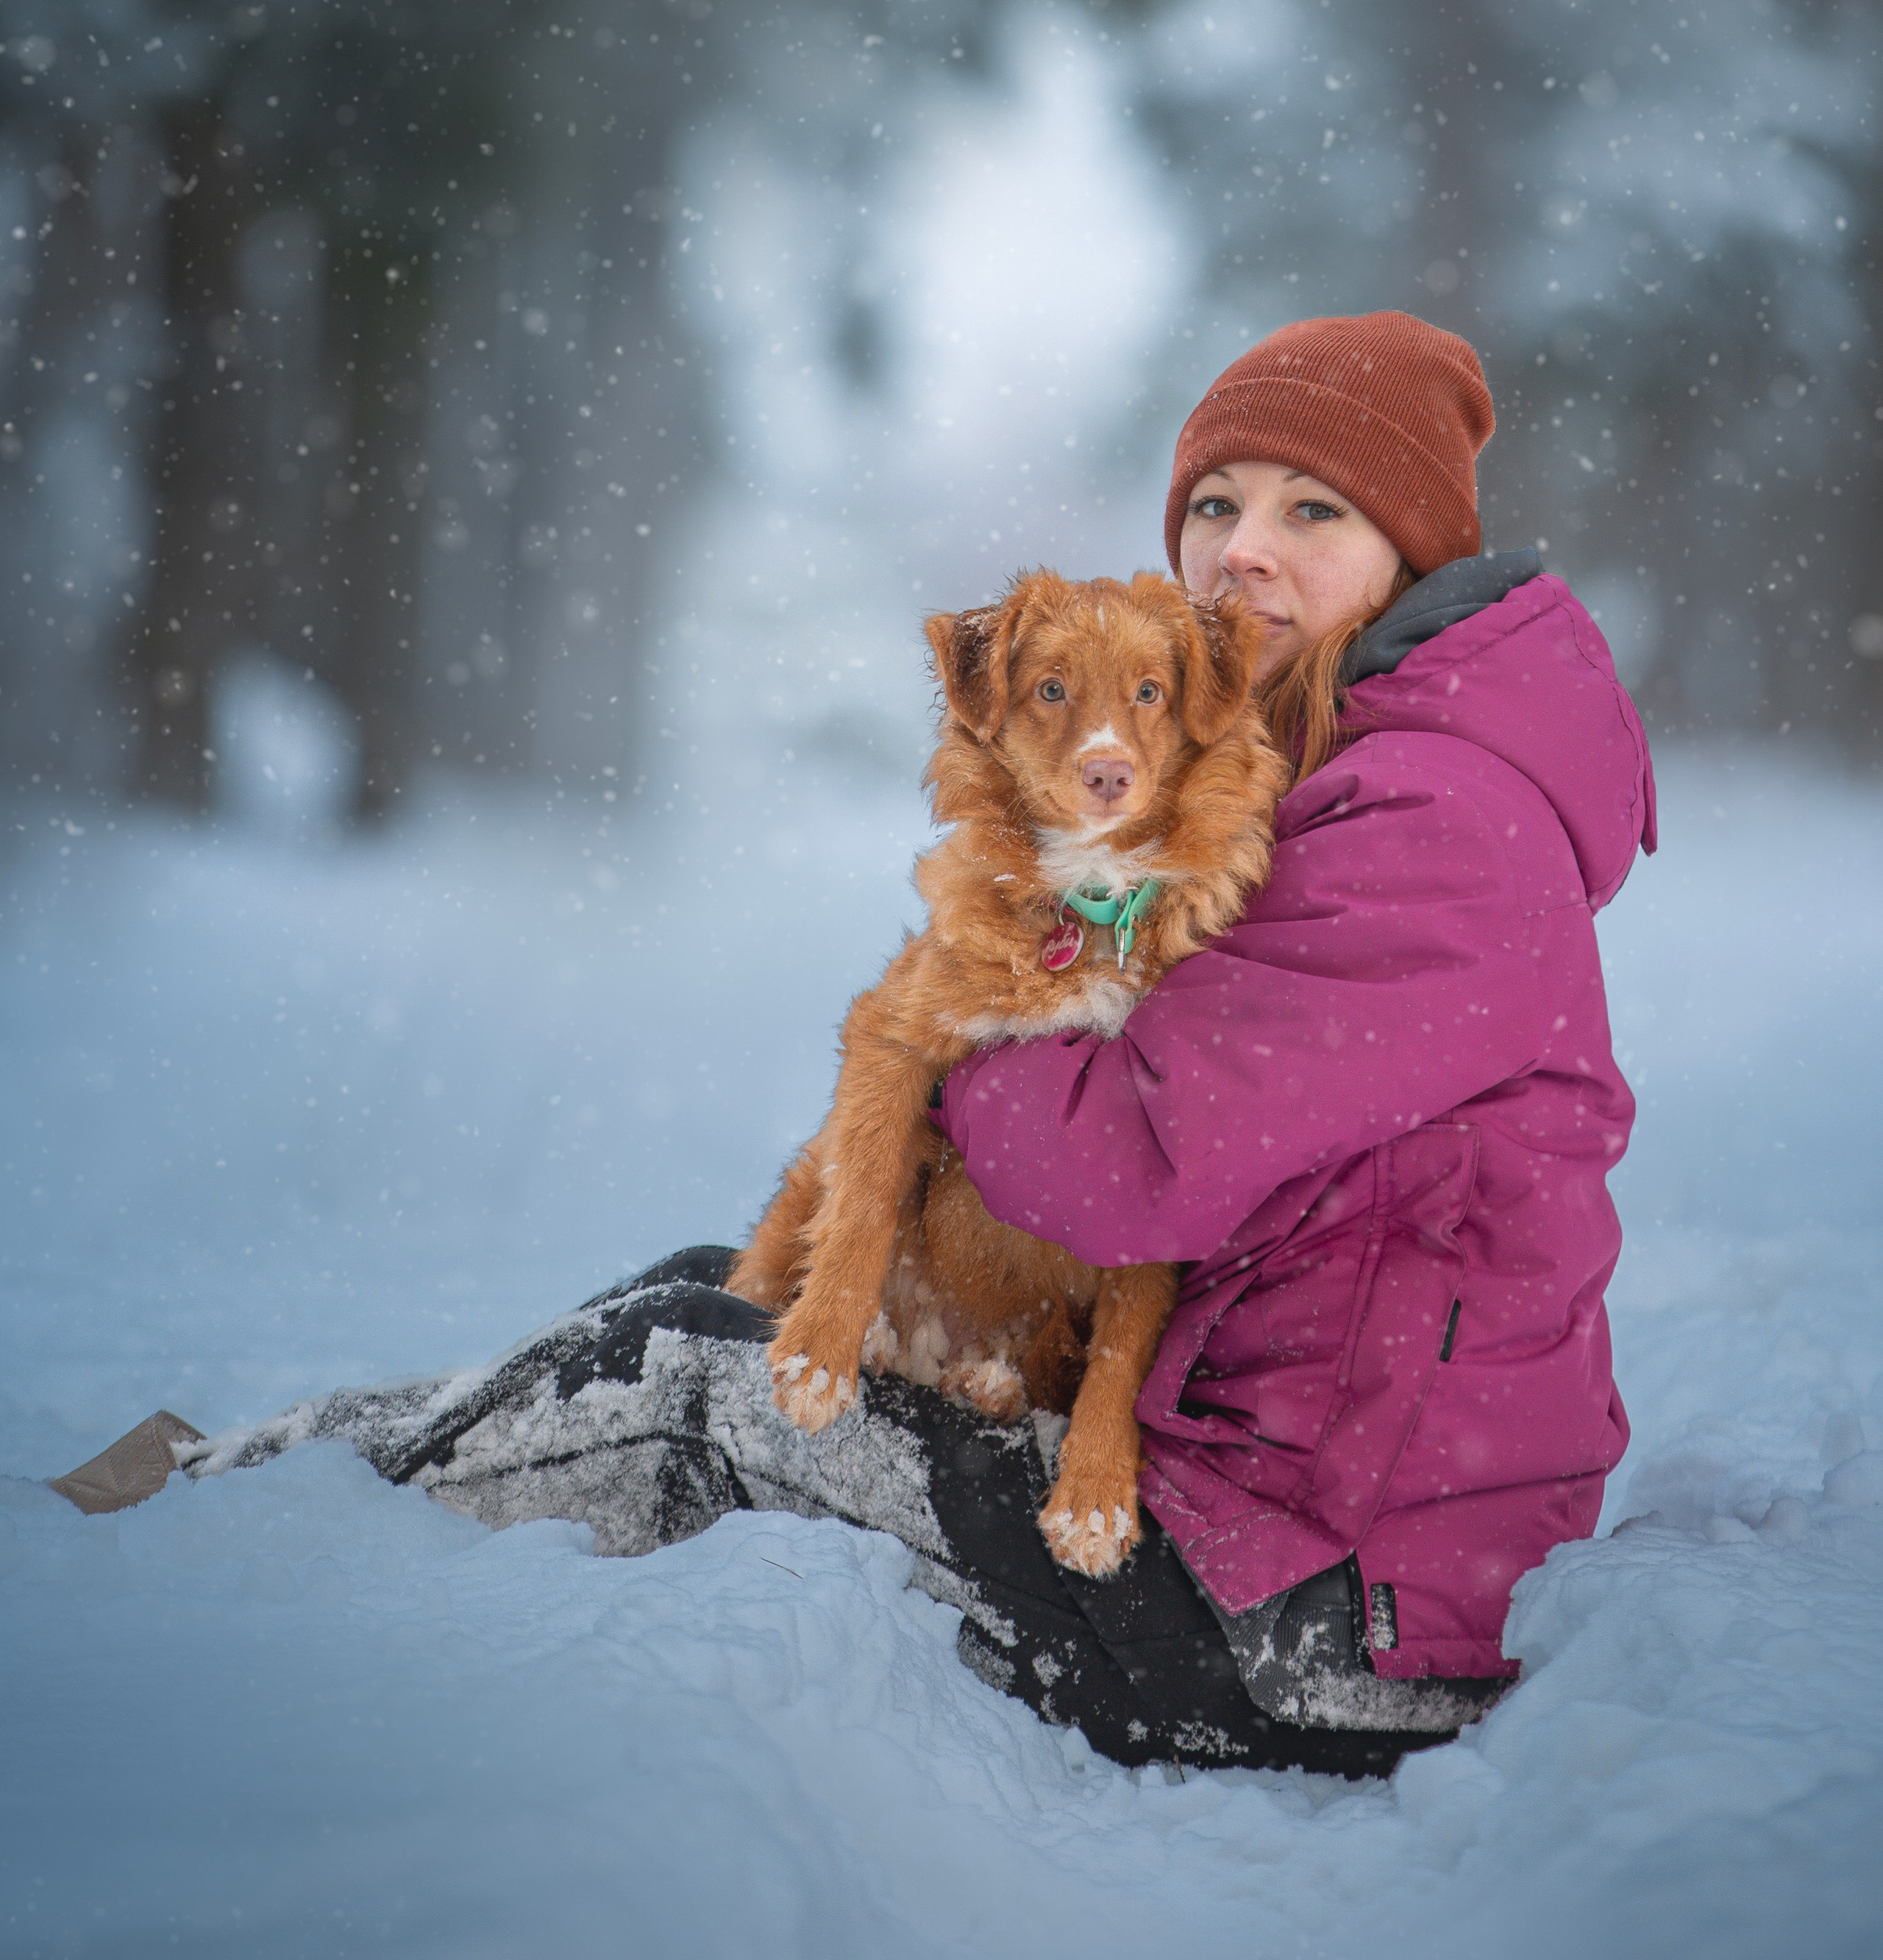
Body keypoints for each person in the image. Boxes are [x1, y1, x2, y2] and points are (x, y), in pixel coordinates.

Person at [62, 310, 1653, 1780]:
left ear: (1407, 551)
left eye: (1313, 513)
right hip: (1299, 1521)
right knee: (728, 1281)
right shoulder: (1310, 767)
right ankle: (253, 1479)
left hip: (1313, 1612)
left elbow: (1127, 1166)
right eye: (1214, 503)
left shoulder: (1435, 820)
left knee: (694, 1383)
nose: (1240, 552)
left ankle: (209, 1529)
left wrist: (958, 1010)